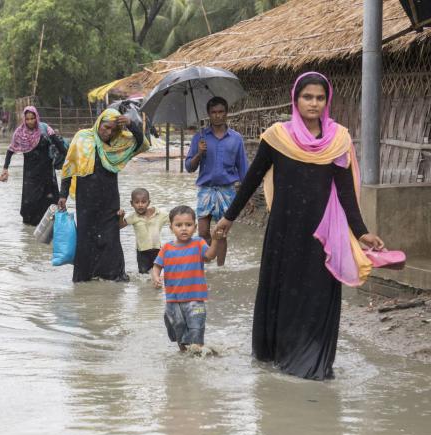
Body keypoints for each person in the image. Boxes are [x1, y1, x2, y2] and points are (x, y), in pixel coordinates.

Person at [214, 72, 386, 380]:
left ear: (327, 101)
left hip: (322, 234)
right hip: (284, 229)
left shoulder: (338, 140)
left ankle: (312, 360)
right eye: (308, 97)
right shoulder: (277, 137)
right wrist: (229, 217)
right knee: (282, 291)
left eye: (320, 98)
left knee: (317, 295)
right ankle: (277, 354)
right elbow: (251, 180)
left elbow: (346, 193)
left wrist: (362, 232)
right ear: (296, 100)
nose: (314, 103)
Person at [58, 108, 149, 283]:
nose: (108, 133)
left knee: (111, 238)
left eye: (114, 130)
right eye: (106, 127)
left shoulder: (118, 143)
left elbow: (142, 143)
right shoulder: (82, 138)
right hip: (85, 200)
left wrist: (131, 124)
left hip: (109, 199)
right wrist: (63, 194)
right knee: (86, 238)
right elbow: (69, 166)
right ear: (99, 123)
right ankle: (85, 278)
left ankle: (113, 276)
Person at [184, 96, 249, 266]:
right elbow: (189, 167)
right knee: (203, 231)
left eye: (221, 112)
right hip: (206, 190)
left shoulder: (236, 138)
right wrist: (199, 153)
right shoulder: (199, 138)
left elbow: (243, 169)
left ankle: (221, 268)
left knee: (221, 233)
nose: (217, 116)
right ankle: (206, 265)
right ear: (208, 114)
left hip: (227, 191)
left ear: (226, 113)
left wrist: (246, 197)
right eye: (214, 112)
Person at [152, 205, 224, 352]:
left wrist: (215, 240)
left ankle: (198, 357)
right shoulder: (166, 248)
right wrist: (156, 276)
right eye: (179, 225)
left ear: (195, 227)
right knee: (179, 331)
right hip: (173, 301)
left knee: (196, 331)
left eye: (188, 225)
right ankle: (184, 358)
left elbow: (209, 256)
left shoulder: (198, 243)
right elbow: (157, 266)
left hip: (195, 299)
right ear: (171, 228)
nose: (184, 228)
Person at [2, 106, 68, 225]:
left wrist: (70, 162)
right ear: (24, 119)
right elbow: (10, 150)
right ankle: (30, 228)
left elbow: (60, 147)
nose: (30, 121)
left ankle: (51, 225)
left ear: (36, 117)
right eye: (27, 119)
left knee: (49, 200)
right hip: (30, 174)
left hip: (47, 172)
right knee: (30, 201)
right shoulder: (19, 133)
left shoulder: (45, 128)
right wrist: (5, 168)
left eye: (32, 118)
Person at [118, 187, 169, 274]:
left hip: (157, 250)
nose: (140, 205)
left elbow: (174, 219)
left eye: (143, 202)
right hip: (142, 252)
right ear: (132, 203)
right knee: (143, 275)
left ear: (148, 202)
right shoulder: (133, 217)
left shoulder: (159, 214)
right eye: (137, 202)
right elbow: (120, 226)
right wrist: (121, 217)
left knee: (157, 273)